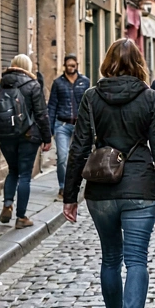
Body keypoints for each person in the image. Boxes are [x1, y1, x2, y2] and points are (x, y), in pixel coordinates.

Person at [63, 38, 155, 308]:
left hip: (101, 189)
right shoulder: (150, 98)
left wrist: (70, 196)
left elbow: (79, 147)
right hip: (140, 188)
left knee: (111, 258)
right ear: (139, 62)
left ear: (107, 62)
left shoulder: (92, 97)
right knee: (136, 259)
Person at [0, 54, 50, 228]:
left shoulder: (0, 86)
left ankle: (7, 204)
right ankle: (21, 217)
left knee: (12, 171)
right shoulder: (33, 85)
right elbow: (41, 114)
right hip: (29, 137)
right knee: (24, 176)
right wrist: (47, 138)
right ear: (28, 67)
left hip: (6, 137)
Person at [47, 54, 90, 201]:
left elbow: (88, 105)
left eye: (73, 65)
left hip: (79, 125)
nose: (71, 68)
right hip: (62, 125)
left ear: (77, 65)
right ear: (64, 66)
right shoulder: (58, 83)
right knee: (62, 157)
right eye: (68, 65)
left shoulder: (85, 82)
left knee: (78, 158)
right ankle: (63, 187)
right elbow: (52, 105)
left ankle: (74, 185)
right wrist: (49, 129)